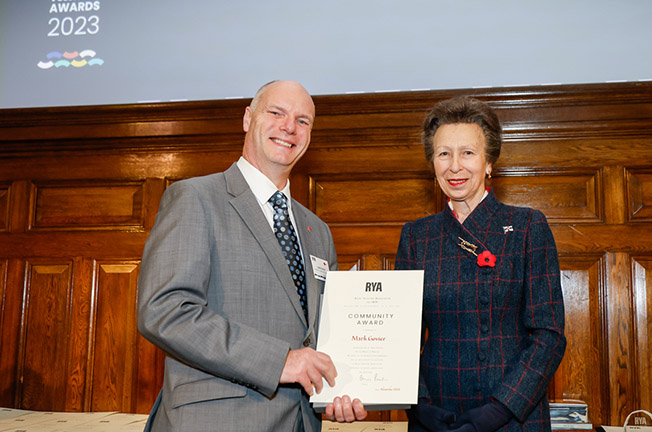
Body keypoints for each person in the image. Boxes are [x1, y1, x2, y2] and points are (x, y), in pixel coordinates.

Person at [137, 80, 366, 432]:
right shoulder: (195, 198)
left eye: (303, 121)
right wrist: (279, 362)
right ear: (247, 119)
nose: (289, 127)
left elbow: (322, 337)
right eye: (276, 113)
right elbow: (165, 311)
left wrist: (342, 386)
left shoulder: (317, 231)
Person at [395, 96, 566, 432]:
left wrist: (500, 410)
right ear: (433, 162)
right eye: (443, 153)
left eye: (467, 153)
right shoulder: (417, 236)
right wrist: (419, 404)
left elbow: (549, 335)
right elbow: (401, 338)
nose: (454, 166)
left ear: (489, 163)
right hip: (436, 418)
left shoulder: (528, 227)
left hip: (512, 417)